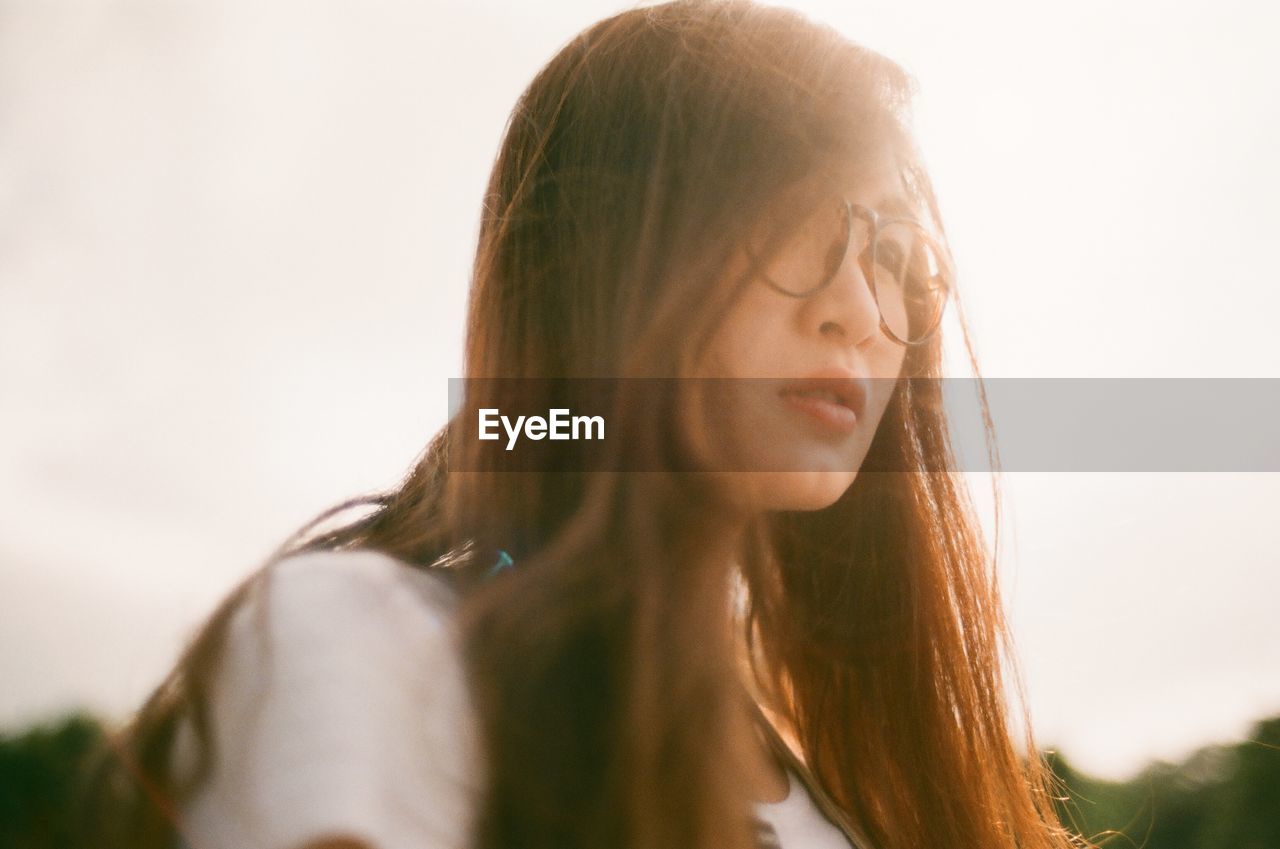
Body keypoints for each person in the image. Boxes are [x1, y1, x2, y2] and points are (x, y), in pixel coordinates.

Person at [79, 2, 1091, 848]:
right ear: (602, 261)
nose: (862, 316)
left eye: (893, 256)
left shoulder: (853, 790)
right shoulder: (371, 645)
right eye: (798, 222)